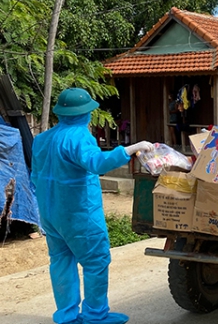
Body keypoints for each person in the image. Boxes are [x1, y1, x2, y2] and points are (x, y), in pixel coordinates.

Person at [31, 88, 155, 324]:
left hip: (50, 213)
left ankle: (66, 315)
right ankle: (95, 315)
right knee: (96, 261)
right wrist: (130, 148)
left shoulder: (42, 140)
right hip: (78, 214)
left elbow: (35, 176)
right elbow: (96, 163)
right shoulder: (78, 136)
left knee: (61, 261)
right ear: (86, 113)